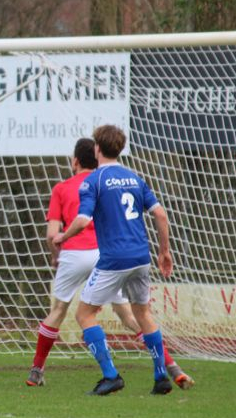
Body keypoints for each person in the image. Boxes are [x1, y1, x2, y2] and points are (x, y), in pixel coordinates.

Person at [27, 138, 193, 389]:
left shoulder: (64, 188)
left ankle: (37, 371)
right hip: (105, 253)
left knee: (60, 311)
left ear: (75, 161)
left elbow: (52, 233)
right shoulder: (116, 181)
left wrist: (55, 254)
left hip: (74, 253)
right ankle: (169, 366)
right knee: (130, 314)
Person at [53, 125, 174, 396]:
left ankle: (110, 375)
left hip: (114, 260)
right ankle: (160, 376)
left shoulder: (93, 181)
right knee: (142, 314)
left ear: (97, 149)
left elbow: (83, 220)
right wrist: (164, 251)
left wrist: (63, 236)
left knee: (84, 314)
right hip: (141, 257)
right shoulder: (134, 178)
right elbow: (161, 215)